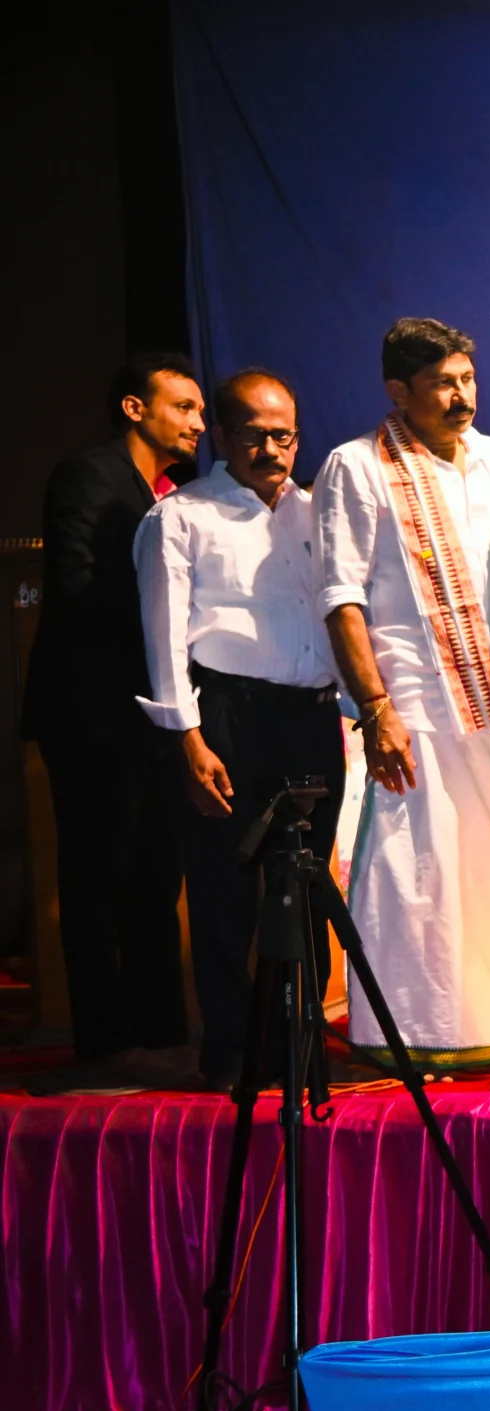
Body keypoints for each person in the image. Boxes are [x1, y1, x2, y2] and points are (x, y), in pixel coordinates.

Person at [318, 318, 490, 1062]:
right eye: (442, 383)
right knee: (417, 870)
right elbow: (341, 597)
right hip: (410, 702)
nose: (461, 395)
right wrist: (376, 709)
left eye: (467, 379)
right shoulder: (357, 465)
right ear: (398, 390)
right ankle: (408, 1034)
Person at [135, 368, 342, 1089]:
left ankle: (300, 1049)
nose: (271, 449)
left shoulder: (317, 513)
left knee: (308, 891)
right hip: (227, 718)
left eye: (284, 435)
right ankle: (230, 1050)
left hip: (312, 719)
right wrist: (188, 739)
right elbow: (163, 636)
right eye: (254, 435)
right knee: (227, 893)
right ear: (220, 437)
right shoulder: (180, 516)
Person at [27, 353, 201, 1081]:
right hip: (93, 712)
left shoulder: (173, 493)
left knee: (154, 875)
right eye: (183, 407)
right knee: (100, 875)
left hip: (151, 713)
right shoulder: (90, 476)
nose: (198, 423)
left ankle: (160, 1034)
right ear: (135, 408)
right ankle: (104, 1043)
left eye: (201, 410)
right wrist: (180, 615)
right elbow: (78, 586)